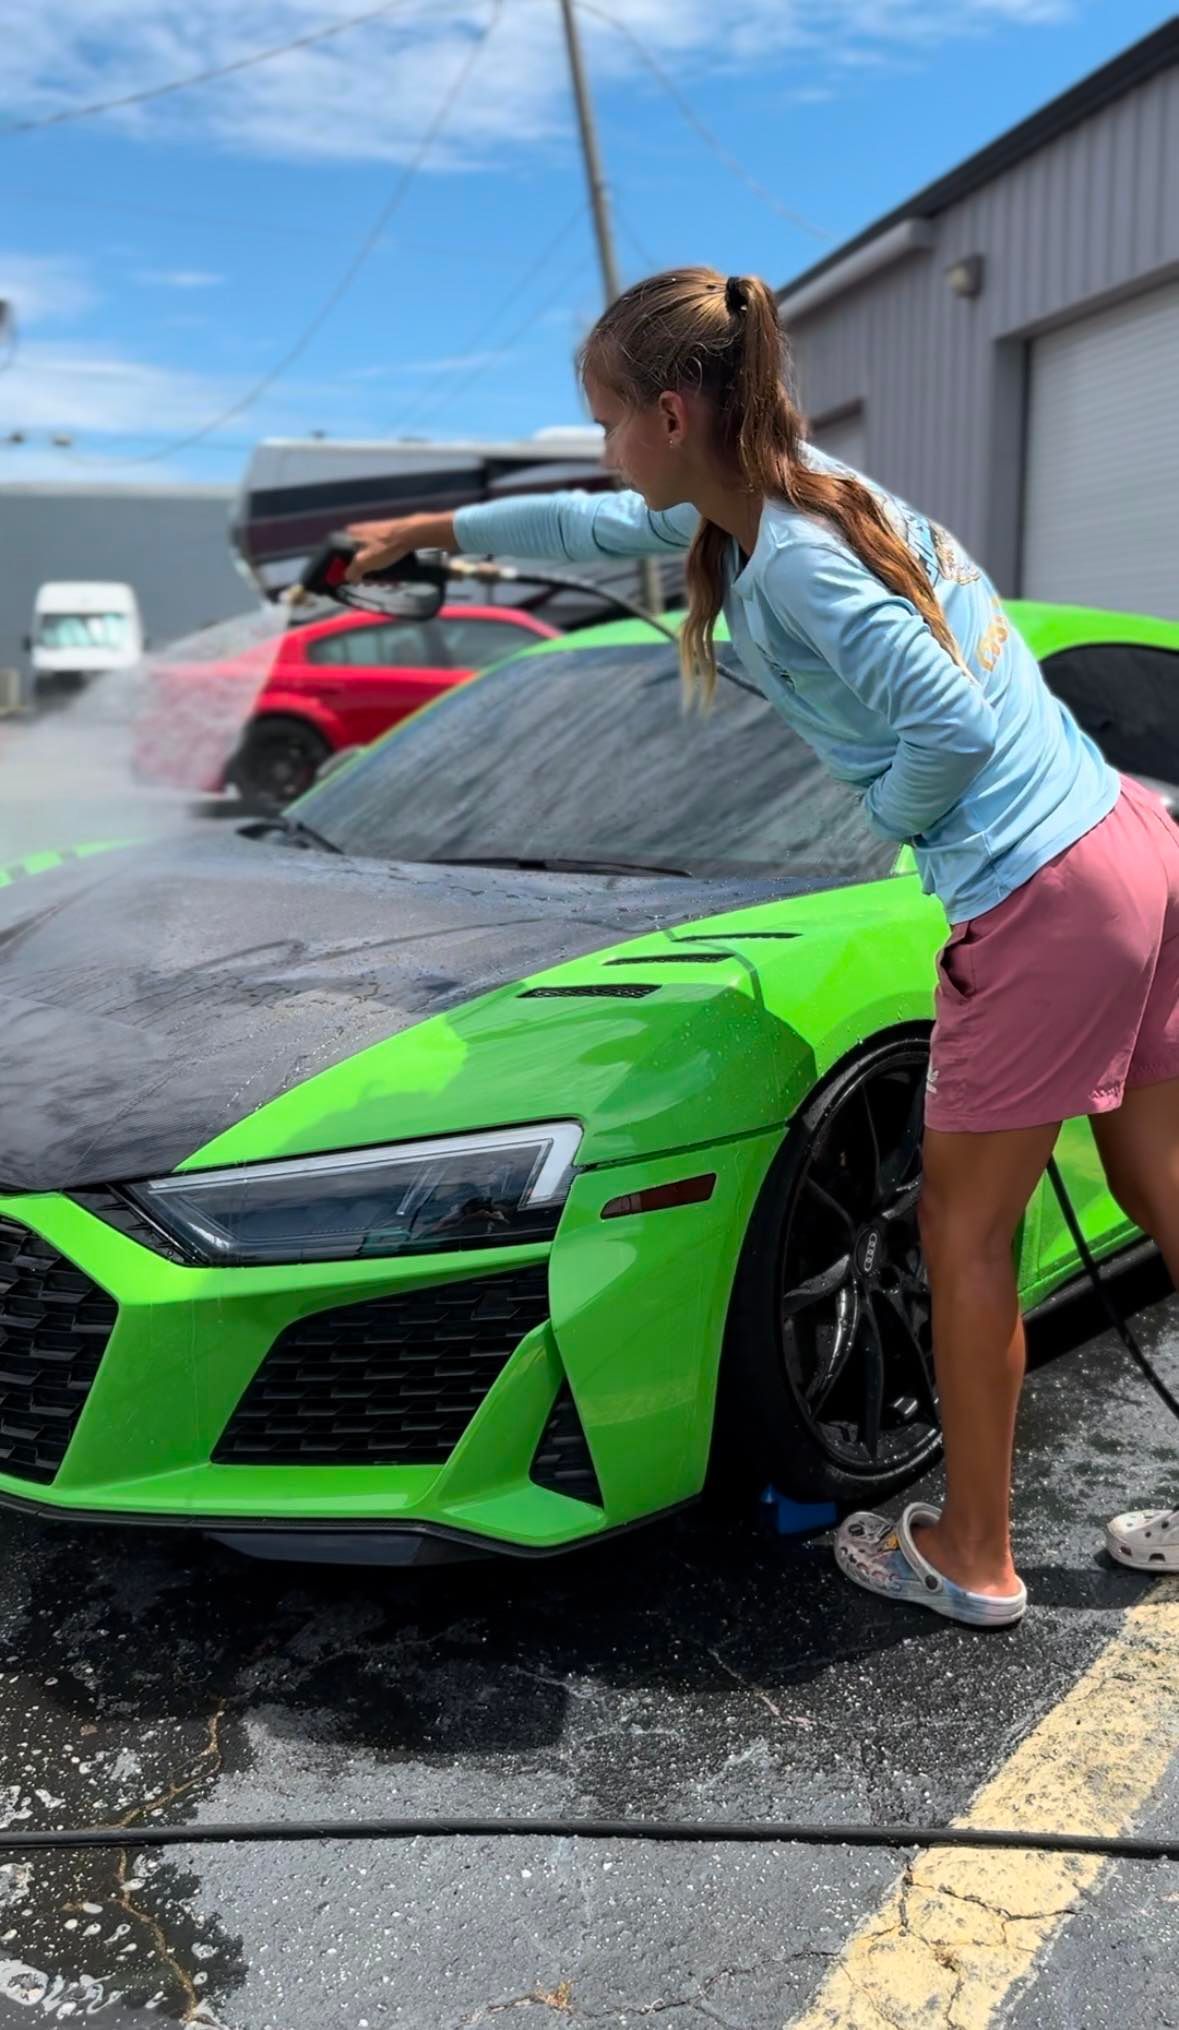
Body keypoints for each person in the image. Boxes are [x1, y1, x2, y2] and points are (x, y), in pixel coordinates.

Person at [346, 265, 1179, 1622]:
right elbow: (594, 521)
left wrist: (890, 813)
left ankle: (973, 1555)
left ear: (673, 415)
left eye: (608, 421)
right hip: (1132, 839)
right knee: (1163, 1180)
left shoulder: (794, 562)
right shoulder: (803, 491)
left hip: (1044, 890)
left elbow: (952, 726)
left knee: (965, 1237)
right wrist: (435, 527)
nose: (606, 451)